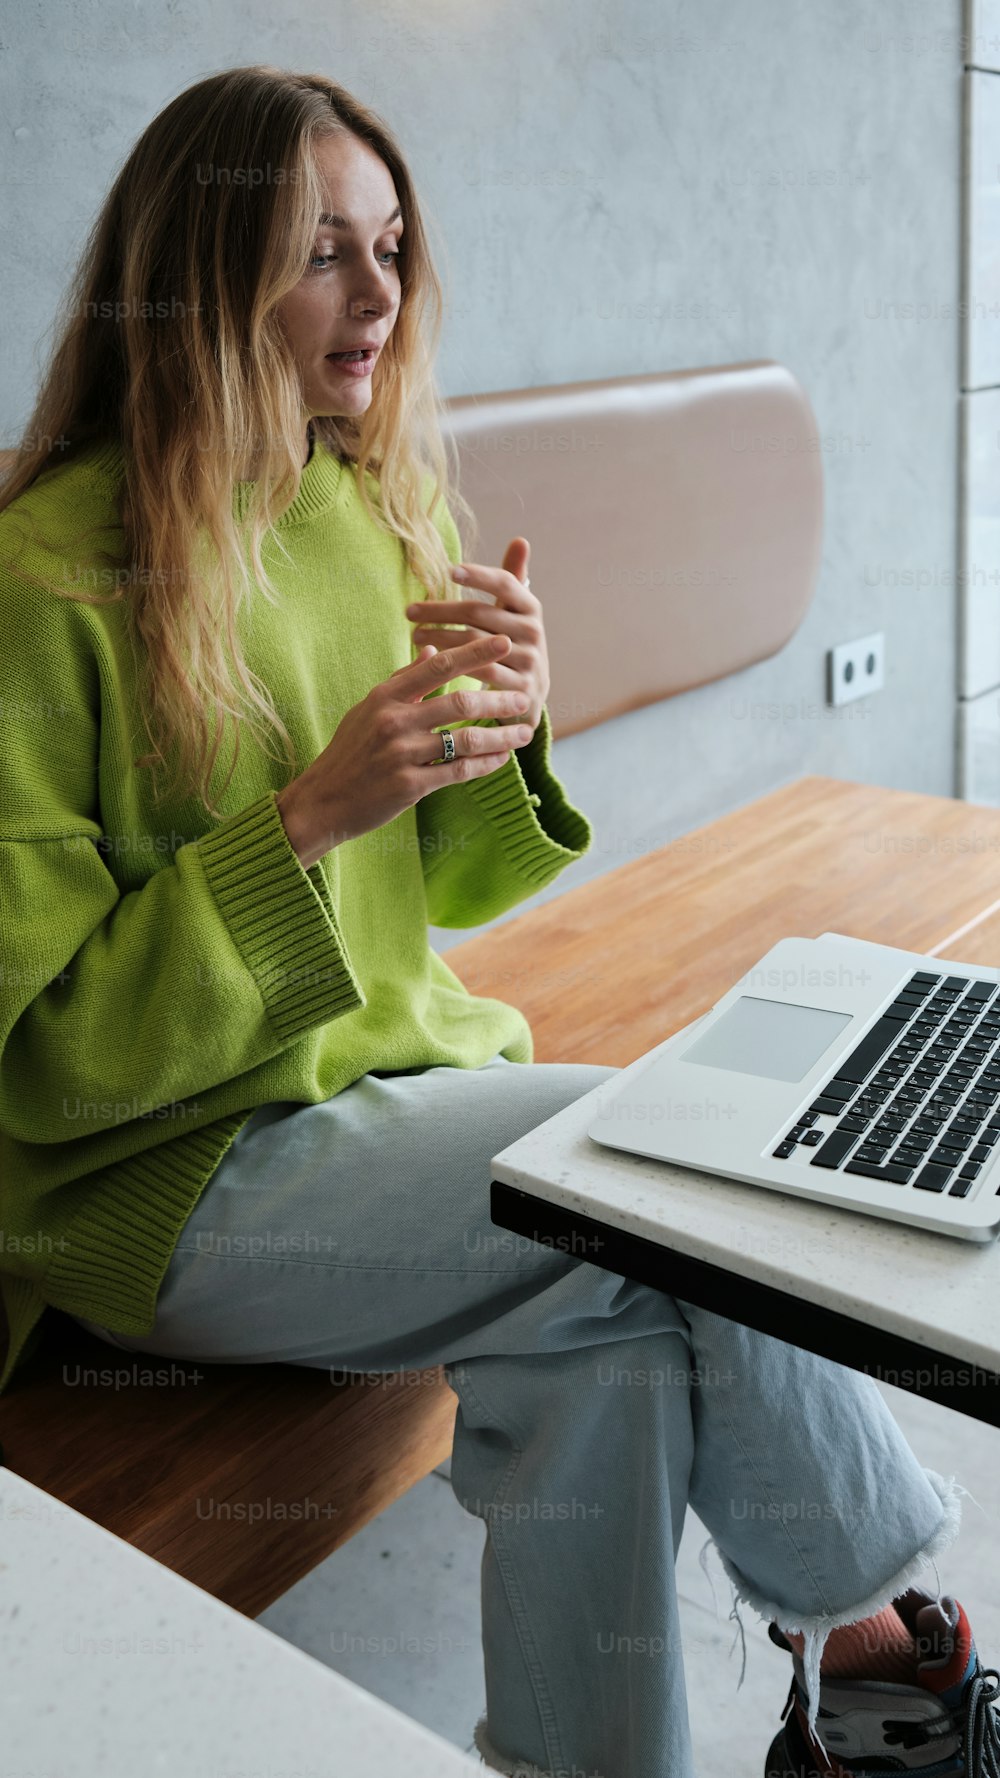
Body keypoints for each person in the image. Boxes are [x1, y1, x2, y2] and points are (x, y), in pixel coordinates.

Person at [0, 64, 996, 1778]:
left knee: (591, 1326)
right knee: (664, 1179)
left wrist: (503, 721)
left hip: (387, 1096)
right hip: (160, 1185)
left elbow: (427, 893)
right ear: (203, 270)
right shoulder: (43, 583)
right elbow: (48, 1070)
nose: (379, 296)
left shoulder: (353, 499)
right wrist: (306, 815)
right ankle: (879, 1656)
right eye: (323, 252)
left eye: (392, 245)